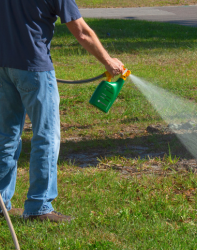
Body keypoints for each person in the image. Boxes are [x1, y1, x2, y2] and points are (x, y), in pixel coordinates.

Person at [0, 0, 124, 222]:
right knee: (46, 136)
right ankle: (39, 206)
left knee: (6, 135)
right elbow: (82, 32)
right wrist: (108, 61)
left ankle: (1, 203)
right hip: (34, 68)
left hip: (3, 68)